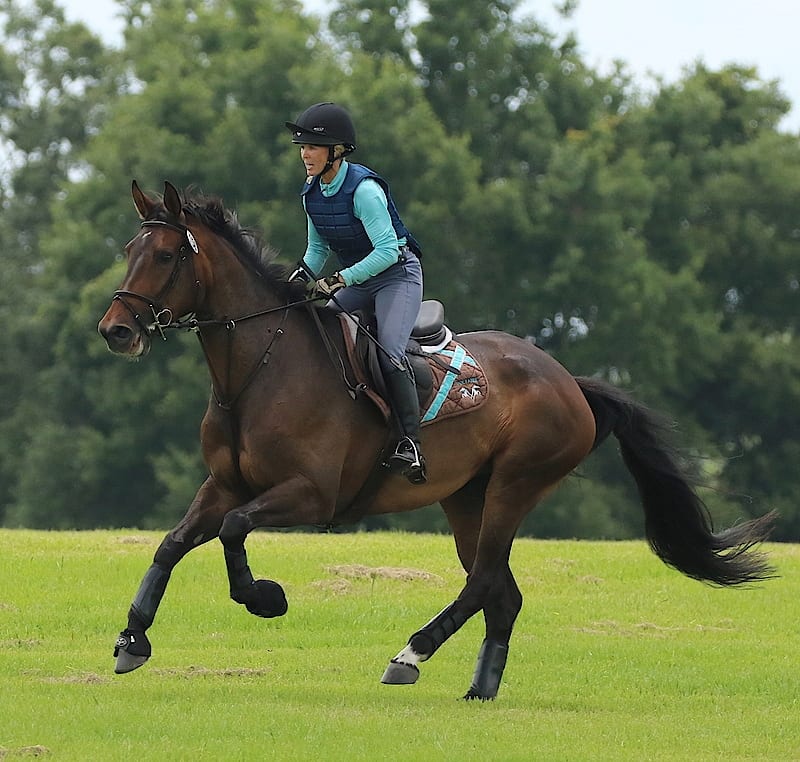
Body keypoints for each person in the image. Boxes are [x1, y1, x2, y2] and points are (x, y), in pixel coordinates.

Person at [285, 102, 427, 485]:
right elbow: (317, 250)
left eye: (312, 147)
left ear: (336, 151)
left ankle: (410, 443)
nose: (304, 154)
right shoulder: (310, 192)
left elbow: (387, 251)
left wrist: (341, 279)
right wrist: (296, 279)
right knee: (318, 333)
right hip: (360, 279)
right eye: (302, 146)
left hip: (397, 276)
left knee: (388, 351)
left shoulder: (364, 190)